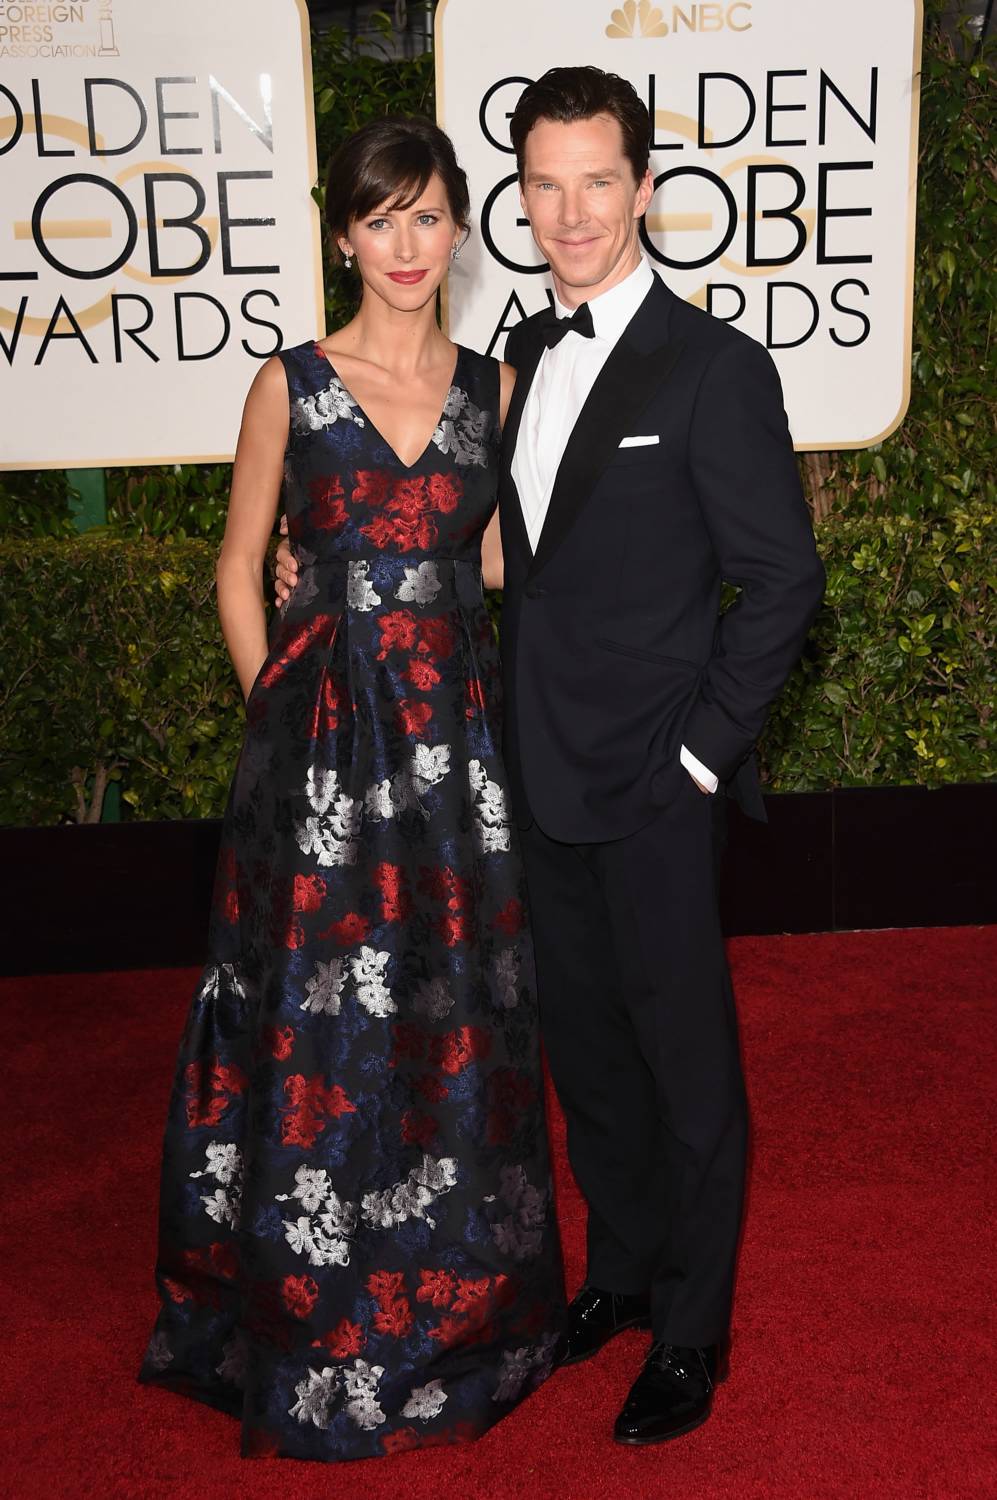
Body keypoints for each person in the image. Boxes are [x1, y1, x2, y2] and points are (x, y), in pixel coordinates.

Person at [277, 67, 826, 1448]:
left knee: (685, 1065)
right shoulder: (519, 356)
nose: (570, 212)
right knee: (585, 1051)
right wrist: (325, 568)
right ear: (519, 198)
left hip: (654, 785)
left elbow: (784, 582)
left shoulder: (713, 368)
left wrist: (699, 759)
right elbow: (487, 551)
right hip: (525, 772)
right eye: (544, 184)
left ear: (643, 189)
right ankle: (624, 1274)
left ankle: (691, 1331)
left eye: (597, 182)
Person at [140, 115, 566, 1463]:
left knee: (451, 1009)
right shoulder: (292, 382)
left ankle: (456, 1308)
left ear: (459, 231)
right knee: (316, 1025)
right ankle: (307, 1311)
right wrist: (277, 705)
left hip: (454, 758)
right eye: (381, 219)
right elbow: (236, 563)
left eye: (428, 216)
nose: (406, 244)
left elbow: (491, 558)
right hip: (317, 763)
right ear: (343, 236)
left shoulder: (497, 388)